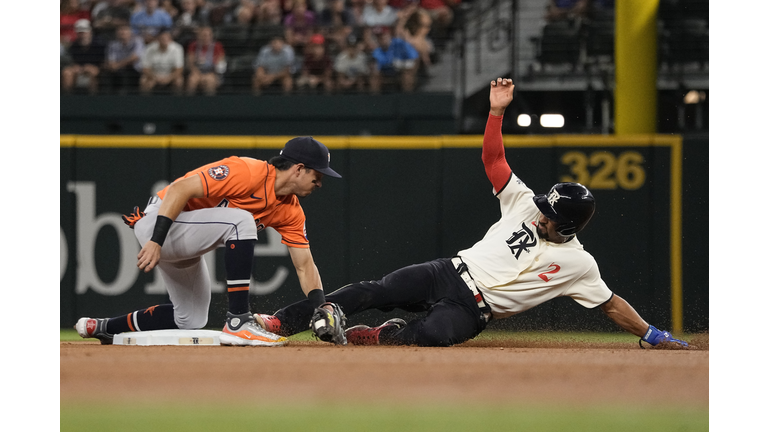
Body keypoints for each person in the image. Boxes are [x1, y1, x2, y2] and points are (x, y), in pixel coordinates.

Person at [255, 78, 691, 350]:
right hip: (448, 271)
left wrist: (652, 334)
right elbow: (494, 160)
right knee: (374, 289)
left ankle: (384, 335)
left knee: (431, 336)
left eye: (549, 215)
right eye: (543, 207)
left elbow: (611, 304)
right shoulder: (524, 203)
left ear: (570, 226)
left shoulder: (579, 265)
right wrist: (496, 113)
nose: (540, 214)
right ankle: (281, 322)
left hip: (475, 309)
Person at [75, 137, 345, 347]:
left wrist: (321, 306)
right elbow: (180, 188)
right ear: (299, 169)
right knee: (241, 221)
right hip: (161, 222)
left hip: (185, 241)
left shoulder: (291, 211)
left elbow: (304, 265)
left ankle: (104, 327)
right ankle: (238, 320)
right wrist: (156, 240)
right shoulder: (248, 171)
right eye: (317, 176)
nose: (320, 183)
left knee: (190, 318)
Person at [369, 26, 419, 93]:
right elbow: (377, 66)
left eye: (384, 35)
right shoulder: (377, 50)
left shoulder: (400, 43)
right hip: (387, 71)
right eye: (379, 37)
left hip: (403, 69)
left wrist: (410, 69)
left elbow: (414, 56)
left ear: (389, 35)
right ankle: (375, 98)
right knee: (374, 76)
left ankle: (408, 97)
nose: (382, 38)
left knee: (407, 76)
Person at [61, 19, 105, 94]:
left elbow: (103, 62)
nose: (83, 35)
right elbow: (70, 60)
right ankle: (68, 98)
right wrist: (74, 66)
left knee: (93, 71)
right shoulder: (74, 46)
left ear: (90, 32)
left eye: (85, 32)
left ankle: (93, 98)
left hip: (95, 68)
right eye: (80, 33)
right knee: (67, 72)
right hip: (78, 69)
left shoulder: (99, 44)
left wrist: (91, 67)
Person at [140, 29, 185, 94]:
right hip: (153, 75)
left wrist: (169, 78)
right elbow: (145, 68)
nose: (165, 40)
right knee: (143, 80)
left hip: (170, 75)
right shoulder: (149, 48)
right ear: (158, 39)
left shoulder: (177, 48)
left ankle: (178, 100)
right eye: (163, 39)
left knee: (179, 81)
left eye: (167, 38)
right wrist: (154, 77)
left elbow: (179, 69)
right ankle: (144, 100)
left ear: (170, 39)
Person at [103, 24, 145, 94]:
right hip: (117, 70)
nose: (122, 32)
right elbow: (111, 60)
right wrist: (113, 65)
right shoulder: (113, 44)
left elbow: (135, 57)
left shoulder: (137, 41)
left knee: (126, 74)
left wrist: (118, 65)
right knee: (106, 74)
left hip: (134, 69)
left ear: (130, 32)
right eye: (120, 30)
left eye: (125, 30)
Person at [185, 26, 226, 95]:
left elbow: (221, 63)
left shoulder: (217, 46)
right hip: (197, 72)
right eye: (204, 35)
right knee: (192, 80)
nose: (206, 38)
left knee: (209, 80)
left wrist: (212, 73)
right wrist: (195, 72)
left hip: (212, 73)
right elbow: (190, 62)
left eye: (208, 35)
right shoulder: (193, 45)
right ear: (199, 36)